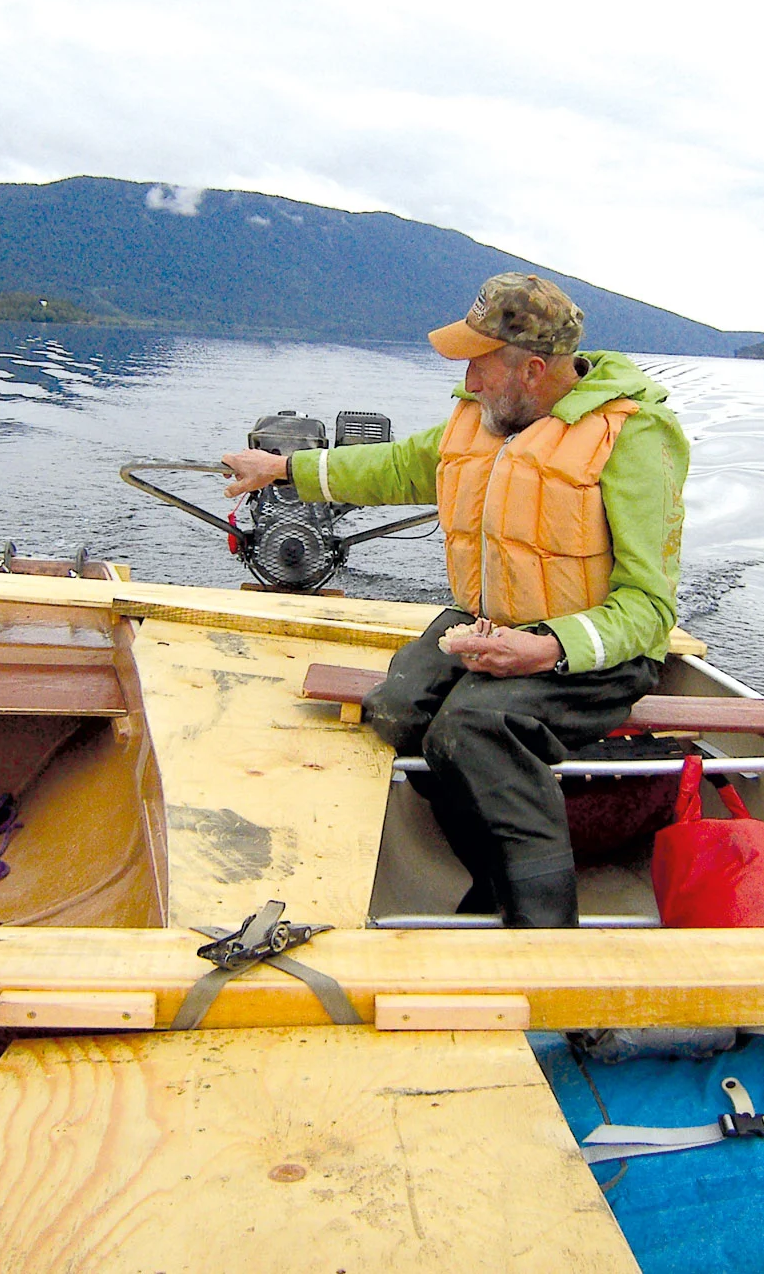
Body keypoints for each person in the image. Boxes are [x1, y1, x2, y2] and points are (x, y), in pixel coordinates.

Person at [221, 273, 690, 928]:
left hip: (595, 652)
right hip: (490, 623)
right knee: (397, 708)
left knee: (472, 730)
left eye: (479, 365)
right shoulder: (486, 418)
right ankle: (498, 876)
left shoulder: (636, 439)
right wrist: (283, 470)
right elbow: (400, 467)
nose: (467, 383)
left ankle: (546, 936)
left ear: (531, 369)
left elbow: (650, 609)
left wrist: (546, 648)